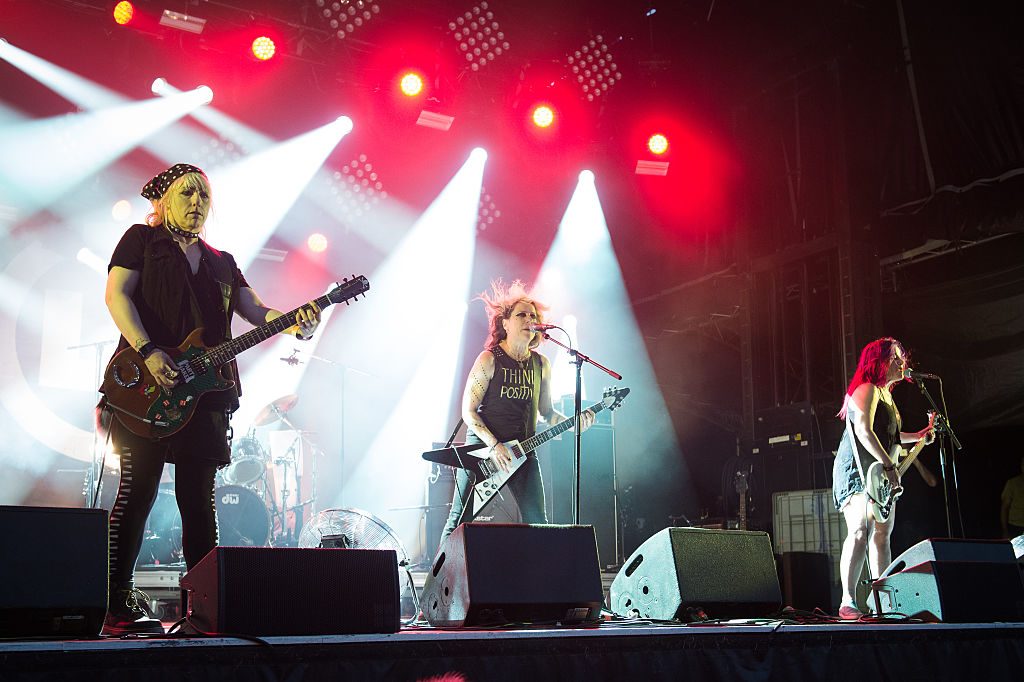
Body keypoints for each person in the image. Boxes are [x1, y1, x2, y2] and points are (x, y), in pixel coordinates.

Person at [101, 164, 321, 635]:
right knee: (136, 493)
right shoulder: (142, 240)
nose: (197, 201)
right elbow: (117, 295)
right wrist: (147, 350)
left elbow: (255, 309)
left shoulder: (222, 261)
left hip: (206, 393)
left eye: (204, 194)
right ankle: (115, 604)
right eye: (187, 193)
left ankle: (202, 612)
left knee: (199, 502)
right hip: (146, 384)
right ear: (163, 201)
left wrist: (295, 321)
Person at [439, 280, 594, 548]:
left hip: (523, 450)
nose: (529, 320)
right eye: (522, 315)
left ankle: (541, 573)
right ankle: (438, 573)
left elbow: (547, 413)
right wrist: (495, 445)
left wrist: (573, 423)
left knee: (538, 521)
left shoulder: (541, 364)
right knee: (459, 520)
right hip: (482, 451)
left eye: (533, 316)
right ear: (506, 323)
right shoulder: (489, 359)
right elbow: (468, 411)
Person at [832, 337, 937, 620]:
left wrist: (918, 436)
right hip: (857, 469)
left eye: (902, 357)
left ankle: (881, 602)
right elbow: (864, 431)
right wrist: (890, 466)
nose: (903, 363)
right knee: (860, 529)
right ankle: (847, 601)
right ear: (878, 362)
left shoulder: (887, 396)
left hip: (878, 472)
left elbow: (890, 435)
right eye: (895, 358)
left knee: (881, 534)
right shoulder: (867, 388)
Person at [1000, 455, 1024, 539]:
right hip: (1015, 527)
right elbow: (1004, 508)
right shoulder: (1012, 483)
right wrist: (1005, 530)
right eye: (1023, 464)